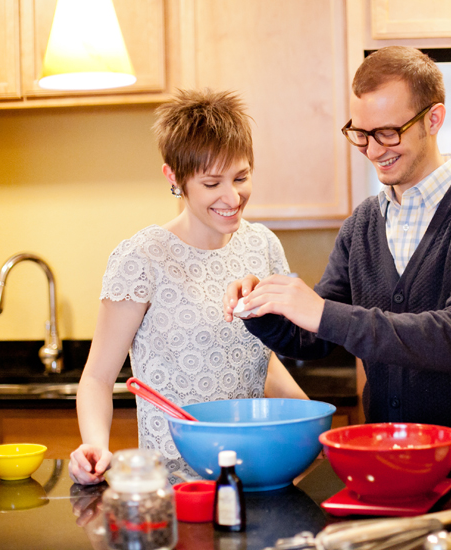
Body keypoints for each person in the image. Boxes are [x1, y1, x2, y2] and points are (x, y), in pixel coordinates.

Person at [223, 46, 451, 467]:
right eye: (361, 134)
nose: (372, 150)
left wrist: (322, 313)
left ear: (433, 119)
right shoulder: (363, 224)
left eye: (388, 132)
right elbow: (315, 337)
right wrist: (263, 308)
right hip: (388, 464)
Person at [70, 89, 307, 485]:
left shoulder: (262, 246)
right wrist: (95, 446)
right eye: (212, 183)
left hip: (255, 471)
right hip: (175, 484)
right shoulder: (143, 258)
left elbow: (259, 360)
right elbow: (97, 378)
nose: (232, 196)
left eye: (241, 177)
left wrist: (312, 421)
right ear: (174, 178)